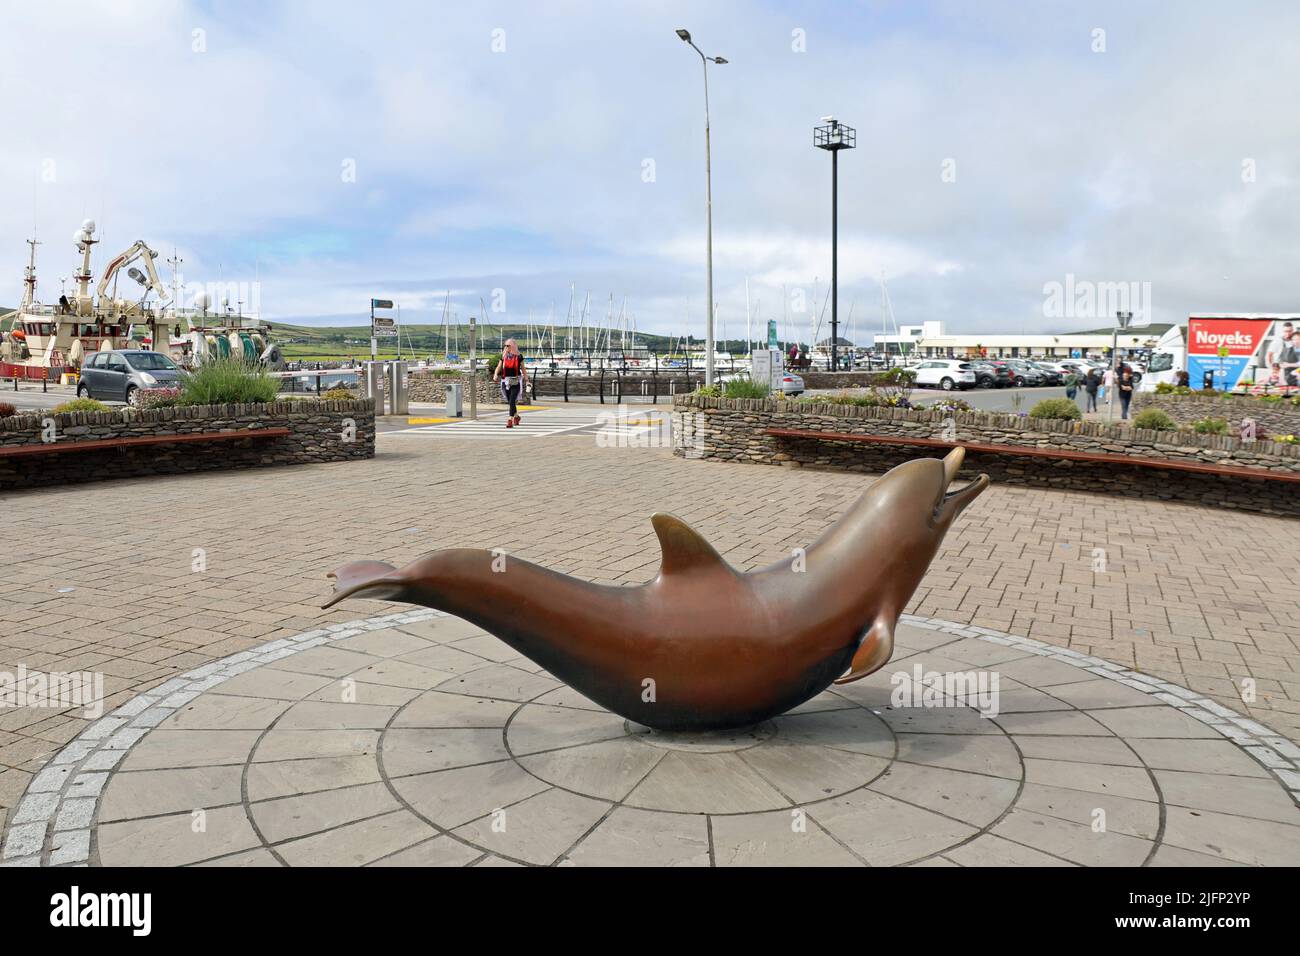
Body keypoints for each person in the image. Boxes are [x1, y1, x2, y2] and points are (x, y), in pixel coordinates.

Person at [494, 338, 528, 428]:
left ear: (513, 346)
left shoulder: (519, 356)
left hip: (516, 380)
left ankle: (510, 420)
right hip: (506, 381)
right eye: (505, 345)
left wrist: (526, 378)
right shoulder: (503, 356)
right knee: (510, 401)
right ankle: (516, 416)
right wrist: (495, 374)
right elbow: (499, 366)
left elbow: (523, 368)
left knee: (512, 400)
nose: (506, 347)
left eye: (508, 346)